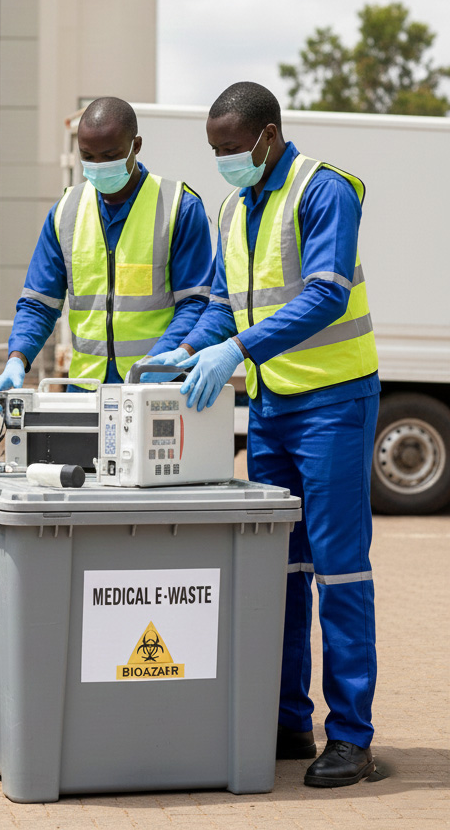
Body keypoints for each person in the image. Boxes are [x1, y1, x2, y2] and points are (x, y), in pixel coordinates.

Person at [146, 81, 380, 788]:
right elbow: (223, 302)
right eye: (214, 150)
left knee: (339, 570)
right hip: (275, 406)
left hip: (334, 400)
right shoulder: (232, 204)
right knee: (278, 568)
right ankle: (285, 719)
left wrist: (236, 350)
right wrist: (189, 347)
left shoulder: (323, 190)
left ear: (268, 136)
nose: (223, 160)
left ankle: (352, 737)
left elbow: (326, 293)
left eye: (231, 149)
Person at [0, 96, 212, 397]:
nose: (99, 166)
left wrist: (156, 361)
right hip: (85, 390)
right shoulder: (65, 212)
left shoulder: (179, 207)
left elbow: (194, 303)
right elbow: (39, 303)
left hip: (157, 386)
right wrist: (17, 359)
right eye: (88, 156)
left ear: (136, 145)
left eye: (110, 155)